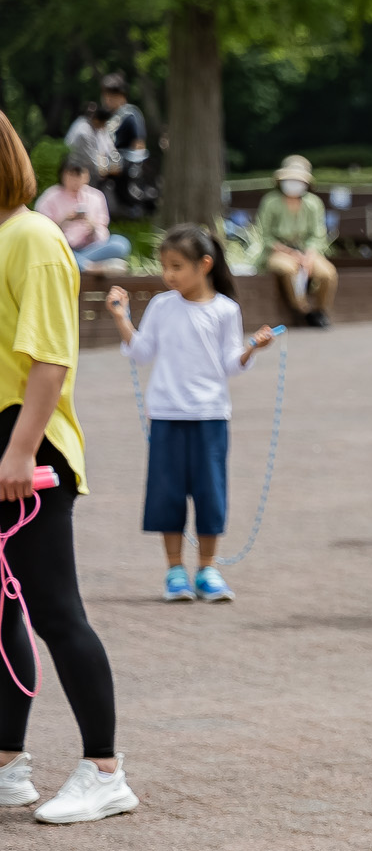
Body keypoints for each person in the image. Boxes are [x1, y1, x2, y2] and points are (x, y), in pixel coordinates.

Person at [0, 114, 136, 824]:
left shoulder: (33, 238)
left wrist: (20, 448)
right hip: (5, 443)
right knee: (0, 608)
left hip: (30, 446)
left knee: (56, 609)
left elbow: (49, 357)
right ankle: (7, 763)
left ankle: (104, 768)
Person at [102, 228, 275, 603]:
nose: (169, 275)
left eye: (177, 267)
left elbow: (231, 363)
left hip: (211, 416)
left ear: (205, 265)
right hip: (165, 414)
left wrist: (251, 349)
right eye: (165, 267)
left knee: (210, 493)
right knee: (168, 493)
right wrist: (121, 319)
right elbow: (143, 351)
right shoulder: (163, 306)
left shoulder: (226, 310)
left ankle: (208, 569)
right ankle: (175, 571)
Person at [255, 156, 337, 327]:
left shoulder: (314, 204)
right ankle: (302, 309)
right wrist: (290, 253)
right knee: (287, 269)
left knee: (327, 273)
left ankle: (320, 311)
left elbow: (317, 235)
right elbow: (266, 236)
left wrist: (308, 256)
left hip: (307, 251)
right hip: (278, 251)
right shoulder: (270, 202)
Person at [34, 159, 128, 270]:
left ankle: (78, 264)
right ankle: (90, 267)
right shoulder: (50, 197)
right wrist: (64, 222)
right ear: (62, 175)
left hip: (90, 248)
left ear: (87, 176)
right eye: (71, 175)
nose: (75, 180)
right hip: (63, 248)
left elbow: (102, 232)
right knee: (51, 250)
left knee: (121, 243)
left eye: (79, 175)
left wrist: (92, 227)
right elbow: (42, 233)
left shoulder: (96, 197)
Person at [96, 75, 153, 221]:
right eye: (106, 95)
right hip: (107, 164)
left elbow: (139, 146)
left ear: (122, 95)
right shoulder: (107, 116)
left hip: (125, 167)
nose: (108, 99)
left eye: (113, 95)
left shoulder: (130, 114)